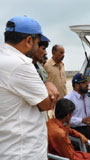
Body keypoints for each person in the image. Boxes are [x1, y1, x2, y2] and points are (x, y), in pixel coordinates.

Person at [0, 16, 58, 159]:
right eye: (38, 43)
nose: (39, 48)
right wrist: (48, 84)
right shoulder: (20, 64)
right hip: (23, 151)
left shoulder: (4, 58)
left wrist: (44, 84)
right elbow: (46, 103)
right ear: (28, 41)